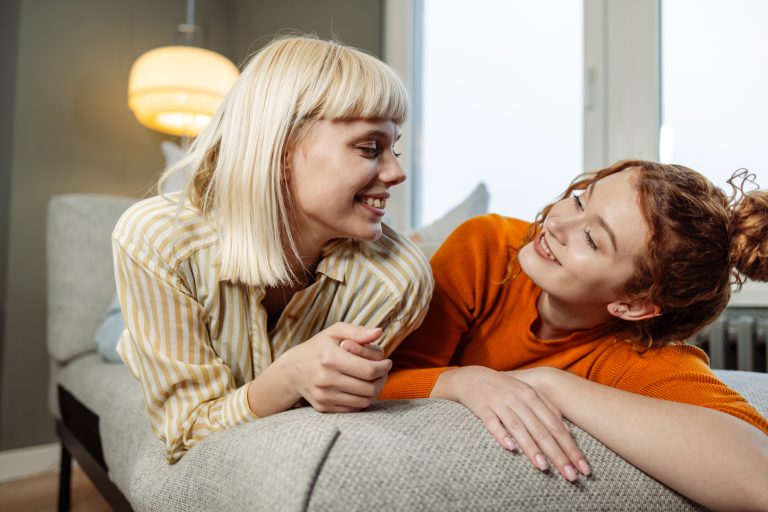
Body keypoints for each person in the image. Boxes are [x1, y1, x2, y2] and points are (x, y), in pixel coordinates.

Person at [372, 160, 768, 510]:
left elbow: (759, 478)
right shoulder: (485, 246)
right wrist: (462, 380)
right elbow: (379, 379)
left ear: (632, 305)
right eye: (580, 199)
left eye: (593, 239)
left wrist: (550, 384)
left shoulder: (639, 355)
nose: (557, 224)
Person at [112, 36, 433, 463]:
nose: (397, 172)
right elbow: (185, 432)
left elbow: (314, 424)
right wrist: (289, 377)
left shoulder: (398, 283)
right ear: (281, 150)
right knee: (115, 335)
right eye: (370, 148)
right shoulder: (155, 238)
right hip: (166, 290)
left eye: (394, 148)